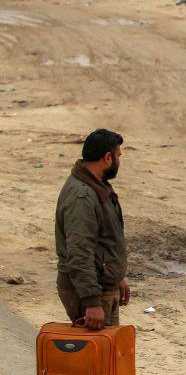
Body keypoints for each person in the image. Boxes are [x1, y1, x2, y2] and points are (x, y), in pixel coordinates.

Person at [55, 129, 130, 329]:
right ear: (107, 158)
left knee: (109, 356)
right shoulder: (83, 196)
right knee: (95, 357)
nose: (119, 161)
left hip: (103, 287)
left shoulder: (98, 186)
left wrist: (116, 277)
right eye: (118, 156)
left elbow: (105, 240)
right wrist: (91, 302)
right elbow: (79, 253)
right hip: (90, 293)